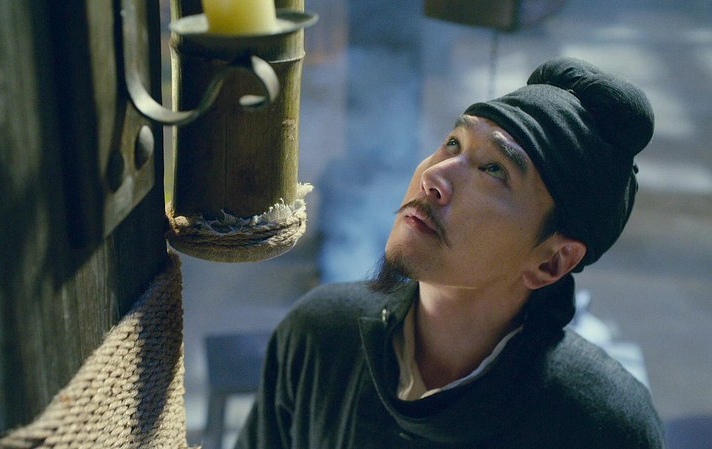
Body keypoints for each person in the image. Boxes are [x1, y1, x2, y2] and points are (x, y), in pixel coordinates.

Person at [234, 57, 666, 448]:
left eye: (493, 170)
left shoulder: (601, 426)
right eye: (454, 144)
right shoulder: (321, 336)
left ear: (552, 262)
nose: (435, 177)